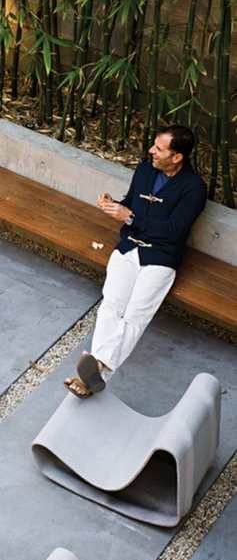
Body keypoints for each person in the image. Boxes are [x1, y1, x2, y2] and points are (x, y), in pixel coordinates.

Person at [65, 125, 207, 398]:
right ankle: (94, 372)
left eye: (159, 148)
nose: (151, 151)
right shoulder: (145, 170)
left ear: (177, 157)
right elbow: (131, 203)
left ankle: (96, 369)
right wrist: (113, 205)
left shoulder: (194, 188)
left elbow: (174, 230)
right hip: (129, 249)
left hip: (160, 258)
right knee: (110, 306)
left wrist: (130, 218)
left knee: (135, 316)